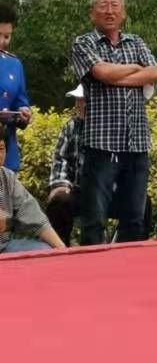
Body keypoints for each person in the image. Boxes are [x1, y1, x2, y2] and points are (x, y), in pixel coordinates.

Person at [70, 0, 157, 245]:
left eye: (115, 6)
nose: (109, 11)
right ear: (92, 13)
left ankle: (128, 267)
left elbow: (155, 73)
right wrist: (134, 69)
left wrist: (115, 76)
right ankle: (92, 265)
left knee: (135, 218)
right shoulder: (84, 43)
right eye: (103, 6)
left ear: (124, 13)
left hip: (137, 143)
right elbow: (102, 73)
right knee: (94, 219)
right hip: (102, 144)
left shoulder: (136, 41)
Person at [45, 83, 87, 244]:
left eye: (83, 100)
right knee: (59, 200)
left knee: (142, 203)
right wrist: (60, 184)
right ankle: (60, 249)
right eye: (77, 99)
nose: (79, 104)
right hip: (77, 189)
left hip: (106, 191)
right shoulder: (70, 126)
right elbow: (60, 158)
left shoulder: (110, 127)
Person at [1, 163, 66, 253]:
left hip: (3, 246)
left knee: (44, 250)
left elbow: (33, 216)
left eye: (2, 152)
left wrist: (62, 250)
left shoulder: (7, 177)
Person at [0, 2, 33, 173]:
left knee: (6, 192)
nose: (2, 42)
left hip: (6, 155)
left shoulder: (14, 64)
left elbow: (21, 101)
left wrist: (24, 113)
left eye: (7, 36)